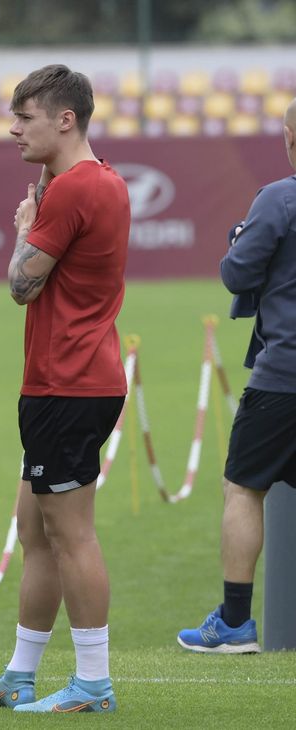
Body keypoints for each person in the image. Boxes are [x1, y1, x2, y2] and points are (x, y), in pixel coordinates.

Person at [0, 64, 129, 714]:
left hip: (69, 383)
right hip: (67, 380)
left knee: (72, 536)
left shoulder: (72, 192)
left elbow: (20, 286)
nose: (13, 129)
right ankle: (21, 673)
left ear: (65, 119)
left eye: (25, 116)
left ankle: (93, 683)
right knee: (34, 532)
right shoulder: (100, 180)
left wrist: (22, 225)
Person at [177, 97, 296, 654]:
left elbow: (236, 272)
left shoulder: (279, 197)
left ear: (290, 138)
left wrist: (238, 241)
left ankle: (234, 621)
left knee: (244, 486)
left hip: (284, 376)